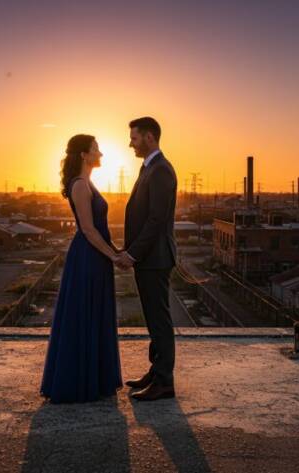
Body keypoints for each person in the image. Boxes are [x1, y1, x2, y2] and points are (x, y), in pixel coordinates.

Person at [40, 134, 123, 403]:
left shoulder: (88, 182)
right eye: (96, 149)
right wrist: (113, 256)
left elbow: (98, 229)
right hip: (88, 257)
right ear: (84, 155)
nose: (101, 154)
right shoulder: (79, 185)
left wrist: (115, 251)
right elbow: (88, 229)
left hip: (95, 256)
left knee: (93, 313)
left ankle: (94, 379)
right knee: (83, 315)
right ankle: (77, 382)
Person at [117, 116, 178, 401]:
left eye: (134, 137)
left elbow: (156, 220)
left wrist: (132, 253)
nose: (130, 143)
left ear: (150, 137)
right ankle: (156, 372)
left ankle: (165, 382)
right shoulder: (149, 168)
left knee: (159, 320)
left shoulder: (161, 171)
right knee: (154, 320)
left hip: (155, 259)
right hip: (148, 259)